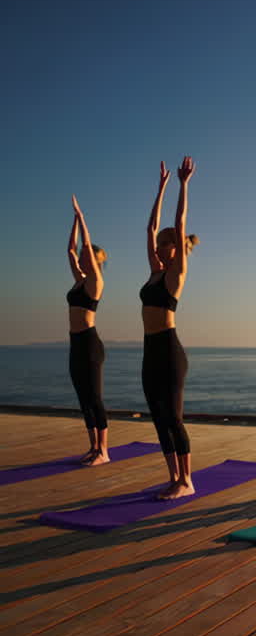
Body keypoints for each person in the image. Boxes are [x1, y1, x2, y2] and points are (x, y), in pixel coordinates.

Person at [141, 158, 200, 500]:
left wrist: (182, 184)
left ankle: (187, 480)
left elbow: (179, 223)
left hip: (169, 350)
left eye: (167, 243)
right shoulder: (153, 272)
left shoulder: (175, 275)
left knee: (175, 418)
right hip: (150, 349)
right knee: (158, 416)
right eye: (160, 244)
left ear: (176, 248)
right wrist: (160, 186)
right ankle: (173, 477)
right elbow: (150, 228)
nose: (160, 246)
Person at [67, 195, 110, 465]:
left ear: (93, 261)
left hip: (90, 343)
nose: (81, 258)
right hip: (75, 343)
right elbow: (70, 249)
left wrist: (82, 218)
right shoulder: (78, 282)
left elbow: (82, 245)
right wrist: (73, 220)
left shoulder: (95, 282)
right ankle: (93, 447)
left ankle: (104, 451)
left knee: (95, 396)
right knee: (83, 396)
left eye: (86, 256)